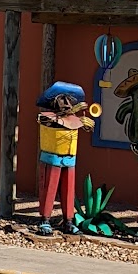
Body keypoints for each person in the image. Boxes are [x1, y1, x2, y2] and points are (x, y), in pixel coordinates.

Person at [36, 82, 95, 234]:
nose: (67, 104)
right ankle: (44, 220)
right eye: (63, 101)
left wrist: (85, 123)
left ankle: (68, 221)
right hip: (52, 159)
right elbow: (55, 122)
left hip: (69, 159)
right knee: (49, 190)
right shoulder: (45, 117)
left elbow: (75, 124)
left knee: (69, 192)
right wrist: (73, 115)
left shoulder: (75, 119)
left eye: (69, 101)